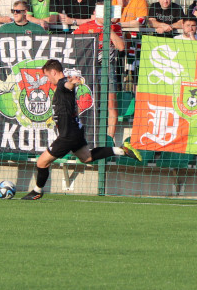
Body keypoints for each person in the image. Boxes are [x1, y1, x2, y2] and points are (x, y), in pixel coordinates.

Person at [21, 59, 141, 199]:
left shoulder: (62, 84)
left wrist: (72, 83)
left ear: (53, 72)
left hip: (67, 135)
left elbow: (67, 86)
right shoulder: (64, 83)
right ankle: (121, 150)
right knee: (87, 157)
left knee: (41, 162)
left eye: (47, 76)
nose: (47, 80)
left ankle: (37, 191)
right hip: (76, 132)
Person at [73, 15, 126, 141]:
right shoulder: (86, 26)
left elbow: (121, 47)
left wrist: (109, 29)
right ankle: (85, 138)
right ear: (95, 12)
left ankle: (109, 140)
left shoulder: (115, 27)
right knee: (87, 103)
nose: (103, 15)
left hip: (107, 68)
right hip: (88, 68)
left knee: (111, 104)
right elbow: (72, 43)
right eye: (100, 12)